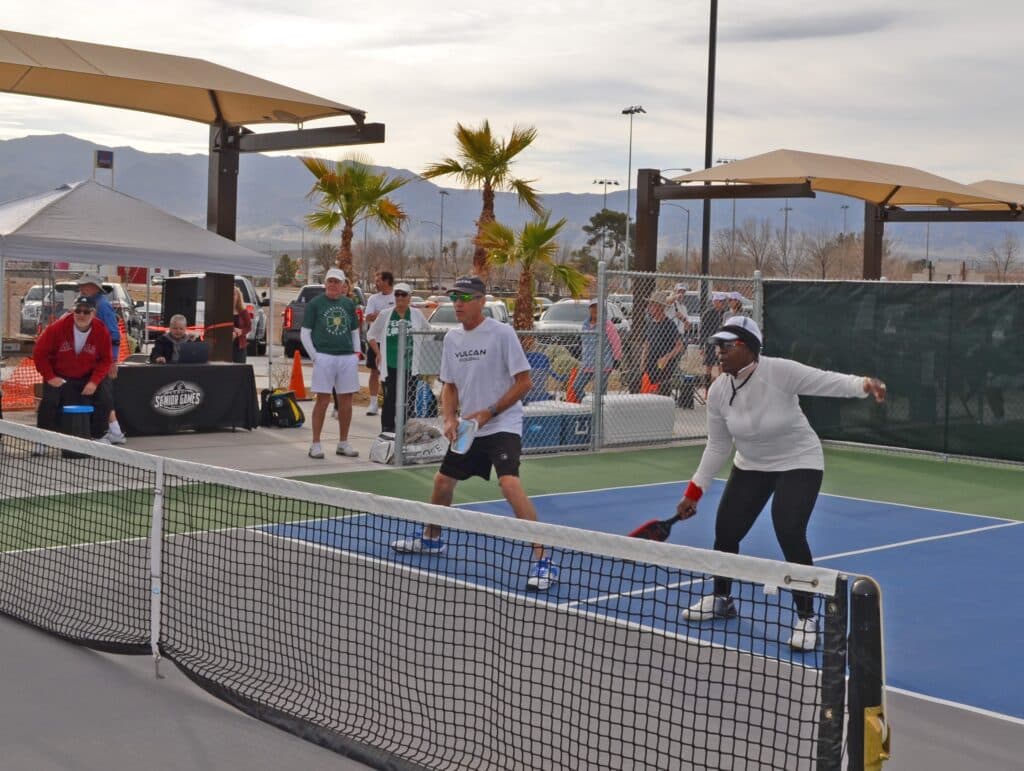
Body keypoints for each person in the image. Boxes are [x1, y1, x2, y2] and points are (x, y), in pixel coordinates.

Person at [674, 316, 887, 651]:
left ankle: (807, 618)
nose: (720, 352)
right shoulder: (718, 392)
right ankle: (722, 599)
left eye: (727, 346)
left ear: (748, 347)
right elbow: (717, 445)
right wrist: (694, 491)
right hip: (751, 465)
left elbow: (824, 381)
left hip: (798, 460)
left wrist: (863, 385)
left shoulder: (779, 372)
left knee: (788, 529)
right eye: (718, 346)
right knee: (726, 530)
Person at [390, 275, 558, 591]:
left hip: (502, 423)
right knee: (442, 482)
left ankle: (543, 560)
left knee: (509, 484)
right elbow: (450, 385)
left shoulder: (502, 334)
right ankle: (431, 538)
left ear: (482, 301)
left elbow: (524, 382)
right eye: (455, 298)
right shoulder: (452, 339)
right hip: (470, 427)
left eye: (465, 298)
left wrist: (489, 412)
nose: (458, 303)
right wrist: (449, 418)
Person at [32, 294, 113, 440]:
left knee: (105, 399)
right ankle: (42, 440)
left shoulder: (101, 330)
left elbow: (106, 360)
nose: (81, 315)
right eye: (78, 310)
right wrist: (50, 377)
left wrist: (94, 381)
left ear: (93, 313)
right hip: (60, 374)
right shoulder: (57, 327)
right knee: (50, 401)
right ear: (72, 311)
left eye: (86, 311)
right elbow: (39, 353)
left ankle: (99, 436)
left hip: (87, 374)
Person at [301, 267, 361, 459]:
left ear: (343, 285)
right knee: (323, 400)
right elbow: (305, 333)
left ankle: (343, 443)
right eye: (330, 281)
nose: (333, 285)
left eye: (337, 282)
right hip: (324, 356)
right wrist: (315, 356)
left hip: (346, 357)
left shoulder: (348, 304)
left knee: (346, 401)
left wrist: (356, 354)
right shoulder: (315, 304)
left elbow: (354, 331)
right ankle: (315, 444)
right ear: (325, 283)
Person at [367, 282, 431, 433]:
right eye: (397, 294)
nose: (400, 297)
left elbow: (427, 332)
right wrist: (378, 353)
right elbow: (371, 335)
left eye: (403, 294)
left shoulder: (416, 314)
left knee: (408, 399)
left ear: (409, 297)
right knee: (391, 398)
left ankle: (405, 430)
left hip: (410, 364)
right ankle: (388, 431)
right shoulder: (385, 314)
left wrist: (422, 353)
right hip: (390, 363)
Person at [77, 274, 126, 444]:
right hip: (92, 358)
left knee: (102, 396)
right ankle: (115, 431)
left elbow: (114, 334)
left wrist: (113, 360)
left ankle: (109, 432)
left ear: (94, 287)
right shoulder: (91, 303)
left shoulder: (102, 305)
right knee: (102, 395)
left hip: (101, 359)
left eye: (85, 285)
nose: (81, 288)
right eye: (81, 285)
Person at [363, 270, 396, 416]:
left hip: (393, 340)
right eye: (375, 281)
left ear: (387, 281)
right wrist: (383, 314)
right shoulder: (373, 299)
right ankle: (373, 403)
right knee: (374, 371)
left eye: (378, 281)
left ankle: (390, 403)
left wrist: (380, 314)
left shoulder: (397, 296)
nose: (376, 283)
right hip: (375, 341)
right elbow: (368, 317)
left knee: (392, 372)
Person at [638, 291, 683, 396]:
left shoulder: (669, 324)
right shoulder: (651, 323)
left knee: (659, 396)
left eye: (652, 305)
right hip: (650, 365)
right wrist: (643, 362)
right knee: (645, 394)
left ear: (660, 307)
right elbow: (647, 344)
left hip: (663, 367)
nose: (649, 308)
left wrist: (667, 357)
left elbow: (679, 346)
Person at [576, 298, 622, 396]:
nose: (595, 309)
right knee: (577, 386)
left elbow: (616, 342)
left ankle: (600, 406)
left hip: (603, 364)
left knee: (600, 393)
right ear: (589, 309)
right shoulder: (585, 324)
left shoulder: (607, 324)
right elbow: (583, 342)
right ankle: (587, 403)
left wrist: (617, 359)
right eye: (593, 307)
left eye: (598, 307)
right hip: (588, 363)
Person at [232, 285, 252, 364]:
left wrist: (241, 332)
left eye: (234, 294)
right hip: (226, 346)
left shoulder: (243, 312)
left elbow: (249, 327)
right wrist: (233, 329)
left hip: (240, 345)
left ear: (238, 296)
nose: (232, 296)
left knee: (239, 367)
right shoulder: (223, 310)